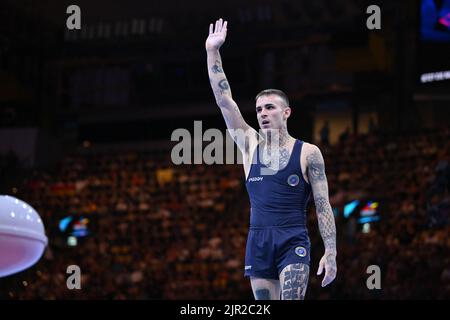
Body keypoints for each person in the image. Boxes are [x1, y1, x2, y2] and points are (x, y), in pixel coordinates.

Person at [205, 18, 337, 300]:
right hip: (258, 241)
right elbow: (224, 100)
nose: (262, 113)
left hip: (293, 240)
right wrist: (212, 52)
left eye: (269, 107)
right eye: (258, 109)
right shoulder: (249, 144)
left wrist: (332, 251)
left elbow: (323, 205)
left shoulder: (308, 153)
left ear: (286, 112)